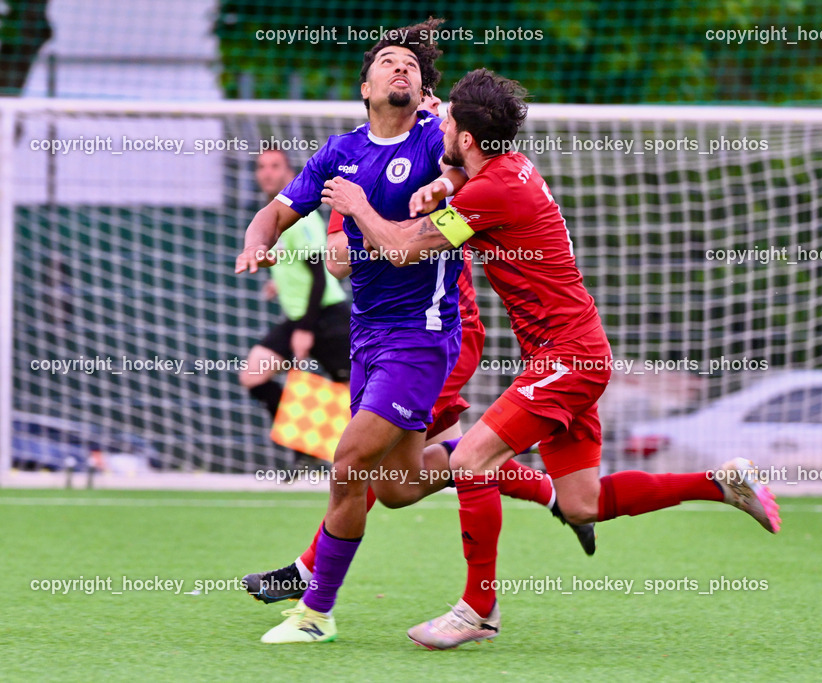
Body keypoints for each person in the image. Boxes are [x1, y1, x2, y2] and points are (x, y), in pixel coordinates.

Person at [321, 68, 782, 650]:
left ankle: (477, 610)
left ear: (465, 135)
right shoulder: (502, 169)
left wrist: (360, 205)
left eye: (447, 121)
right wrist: (441, 176)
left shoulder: (492, 192)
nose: (438, 125)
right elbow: (457, 173)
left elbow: (402, 248)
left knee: (472, 463)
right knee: (582, 502)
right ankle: (719, 484)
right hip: (575, 353)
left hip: (566, 358)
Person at [235, 21, 585, 645]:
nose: (401, 69)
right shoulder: (339, 153)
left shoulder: (436, 137)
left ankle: (315, 612)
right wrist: (259, 241)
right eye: (388, 63)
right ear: (364, 86)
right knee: (397, 488)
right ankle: (483, 460)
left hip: (423, 335)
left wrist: (440, 187)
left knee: (347, 461)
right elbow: (284, 214)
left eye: (411, 66)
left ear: (426, 89)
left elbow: (467, 168)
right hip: (369, 337)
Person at [238, 149, 350, 467]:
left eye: (275, 166)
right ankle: (305, 444)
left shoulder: (300, 214)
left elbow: (317, 271)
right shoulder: (273, 214)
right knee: (253, 376)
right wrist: (280, 282)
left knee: (354, 397)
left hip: (326, 316)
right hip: (299, 316)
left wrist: (304, 329)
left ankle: (354, 457)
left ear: (290, 173)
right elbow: (298, 263)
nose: (267, 173)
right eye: (261, 167)